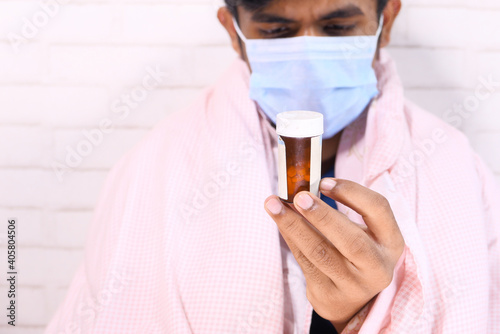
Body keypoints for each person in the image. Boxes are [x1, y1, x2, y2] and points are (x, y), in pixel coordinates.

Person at [45, 0, 500, 333]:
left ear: (387, 19)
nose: (307, 58)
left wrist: (361, 317)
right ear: (232, 28)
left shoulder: (452, 165)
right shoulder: (155, 168)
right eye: (277, 32)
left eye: (339, 26)